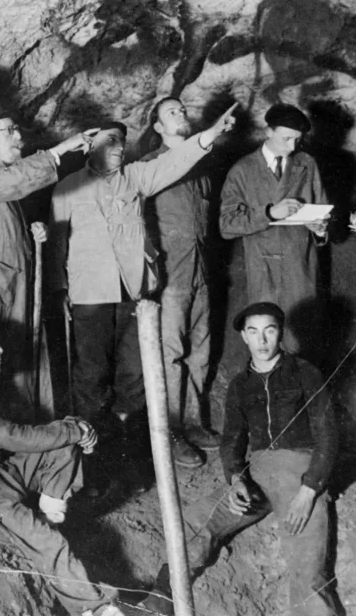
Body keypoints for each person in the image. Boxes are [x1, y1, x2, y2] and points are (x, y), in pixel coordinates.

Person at [50, 107, 237, 475]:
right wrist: (59, 289)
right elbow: (57, 243)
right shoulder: (67, 187)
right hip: (90, 295)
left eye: (122, 140)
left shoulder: (136, 177)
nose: (119, 146)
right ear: (89, 145)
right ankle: (94, 461)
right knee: (91, 376)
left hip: (134, 294)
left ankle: (131, 457)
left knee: (135, 376)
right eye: (110, 140)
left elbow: (176, 161)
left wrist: (211, 134)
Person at [140, 302, 342, 616]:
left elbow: (328, 434)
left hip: (299, 472)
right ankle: (159, 602)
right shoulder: (239, 385)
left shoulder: (305, 372)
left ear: (280, 333)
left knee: (307, 570)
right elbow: (232, 441)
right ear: (244, 337)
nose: (262, 340)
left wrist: (309, 491)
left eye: (269, 331)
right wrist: (236, 479)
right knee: (194, 520)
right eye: (253, 332)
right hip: (258, 473)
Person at [0, 321, 124, 616]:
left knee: (62, 440)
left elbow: (29, 436)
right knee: (49, 542)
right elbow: (13, 437)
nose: (0, 350)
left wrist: (74, 429)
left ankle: (50, 512)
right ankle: (93, 609)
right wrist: (73, 430)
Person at [0, 98, 96, 423]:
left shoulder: (3, 180)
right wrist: (58, 151)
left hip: (6, 284)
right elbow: (7, 184)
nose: (19, 138)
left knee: (10, 366)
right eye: (9, 131)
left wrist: (29, 233)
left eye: (17, 130)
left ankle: (17, 436)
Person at [139, 98, 218, 468]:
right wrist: (150, 273)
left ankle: (193, 422)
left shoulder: (200, 167)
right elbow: (138, 223)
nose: (182, 114)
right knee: (170, 354)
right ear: (157, 127)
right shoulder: (149, 166)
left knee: (200, 351)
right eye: (172, 112)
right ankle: (170, 431)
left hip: (200, 273)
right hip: (170, 275)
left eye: (183, 110)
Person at [219, 104, 329, 357]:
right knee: (266, 339)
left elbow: (322, 211)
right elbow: (226, 225)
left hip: (300, 263)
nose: (292, 146)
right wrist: (269, 213)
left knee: (303, 339)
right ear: (268, 132)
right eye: (286, 138)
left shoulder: (307, 164)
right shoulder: (243, 170)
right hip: (263, 266)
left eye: (297, 140)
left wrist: (320, 229)